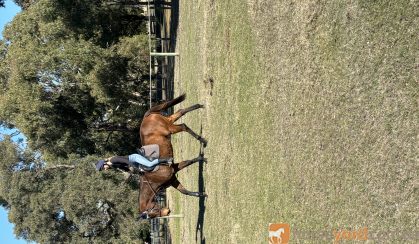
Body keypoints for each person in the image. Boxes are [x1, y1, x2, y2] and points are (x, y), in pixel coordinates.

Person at [96, 153, 172, 172]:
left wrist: (134, 167)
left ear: (104, 163)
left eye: (103, 168)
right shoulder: (113, 165)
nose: (105, 169)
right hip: (133, 163)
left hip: (135, 158)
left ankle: (167, 160)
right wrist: (129, 171)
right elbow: (123, 167)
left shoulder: (113, 160)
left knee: (149, 164)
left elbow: (125, 161)